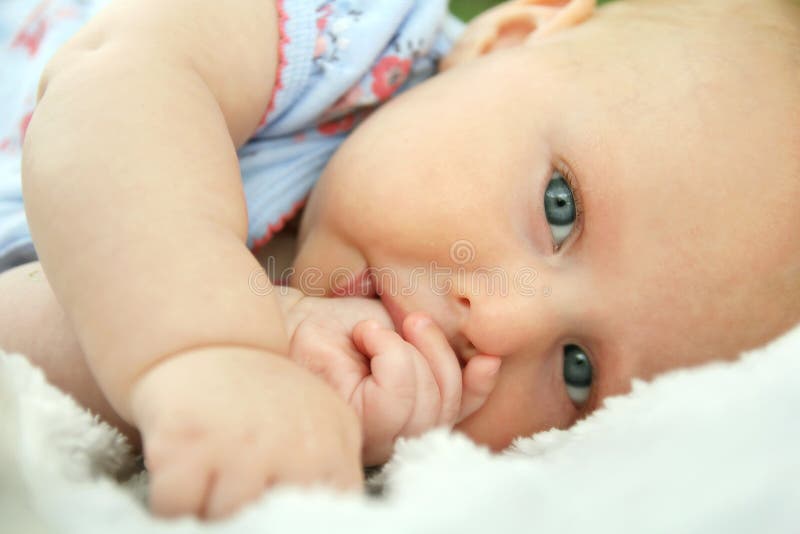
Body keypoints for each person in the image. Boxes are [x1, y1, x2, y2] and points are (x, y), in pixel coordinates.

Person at [1, 0, 799, 520]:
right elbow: (107, 90)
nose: (504, 324)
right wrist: (213, 348)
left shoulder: (375, 402)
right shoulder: (343, 38)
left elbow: (22, 321)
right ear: (508, 41)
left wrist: (281, 355)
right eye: (561, 208)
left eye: (579, 371)